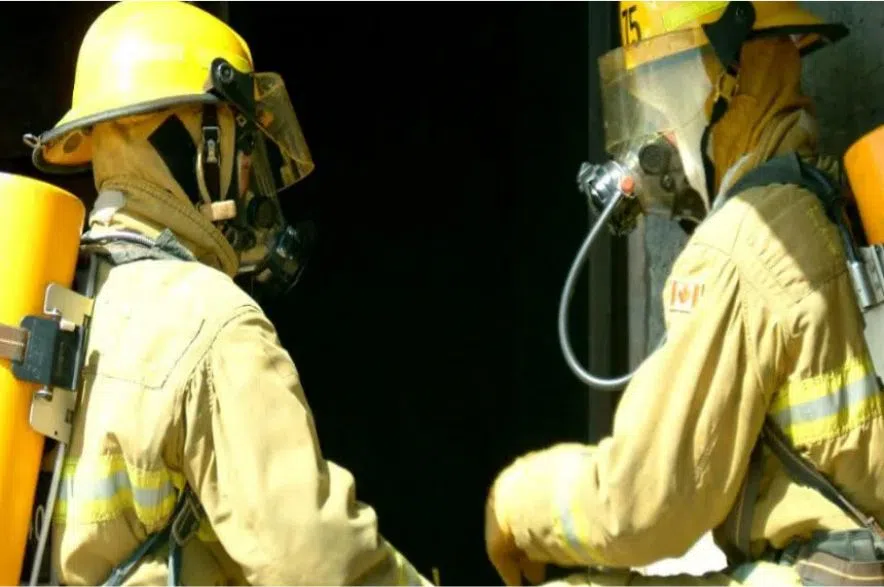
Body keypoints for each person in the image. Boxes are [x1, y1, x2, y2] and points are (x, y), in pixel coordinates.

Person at [24, 1, 430, 585]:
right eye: (241, 140)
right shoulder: (209, 321)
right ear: (195, 139)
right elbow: (319, 566)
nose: (247, 169)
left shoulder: (52, 294)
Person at [484, 2, 884, 585]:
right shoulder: (822, 200)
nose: (659, 125)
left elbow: (644, 506)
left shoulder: (743, 240)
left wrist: (515, 503)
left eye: (669, 88)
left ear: (732, 84)